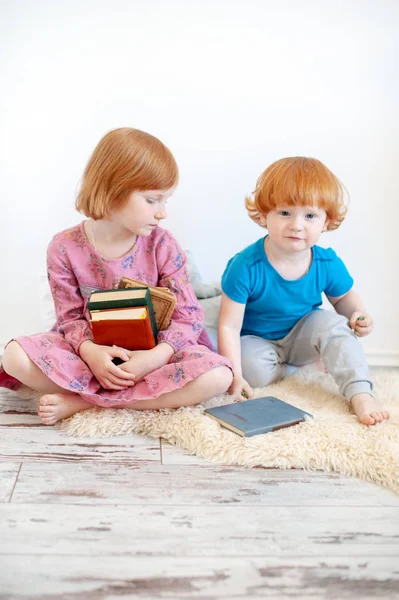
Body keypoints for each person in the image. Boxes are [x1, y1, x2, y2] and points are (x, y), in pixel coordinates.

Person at [1, 128, 233, 425]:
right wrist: (92, 353)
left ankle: (84, 402)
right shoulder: (63, 247)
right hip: (90, 352)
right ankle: (120, 397)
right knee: (13, 357)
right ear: (114, 190)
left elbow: (188, 317)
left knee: (218, 376)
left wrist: (156, 357)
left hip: (156, 354)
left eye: (166, 200)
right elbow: (70, 318)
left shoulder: (163, 245)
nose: (162, 212)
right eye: (153, 200)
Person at [218, 156, 389, 426]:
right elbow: (228, 326)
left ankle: (360, 392)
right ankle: (294, 370)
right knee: (249, 368)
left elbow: (343, 298)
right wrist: (236, 375)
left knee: (333, 325)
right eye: (285, 213)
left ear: (326, 221)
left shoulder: (325, 261)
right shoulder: (245, 265)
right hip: (258, 338)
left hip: (303, 335)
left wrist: (358, 313)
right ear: (264, 215)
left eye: (309, 215)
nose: (297, 225)